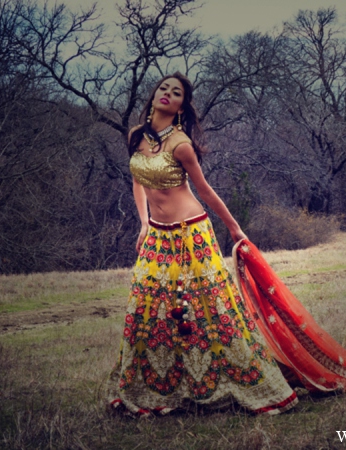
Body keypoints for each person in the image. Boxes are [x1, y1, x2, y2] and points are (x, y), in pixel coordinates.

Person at [107, 72, 298, 416]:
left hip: (191, 234)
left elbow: (205, 191)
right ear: (153, 96)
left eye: (176, 92)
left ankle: (236, 382)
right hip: (157, 236)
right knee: (151, 309)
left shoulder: (181, 144)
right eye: (163, 88)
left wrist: (235, 229)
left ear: (182, 105)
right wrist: (144, 222)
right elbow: (137, 179)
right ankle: (159, 389)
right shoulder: (137, 136)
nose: (167, 93)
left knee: (208, 311)